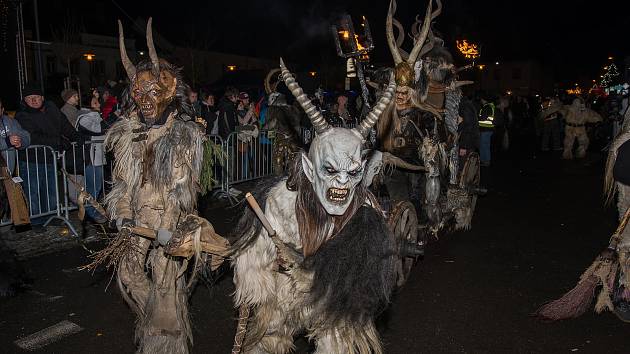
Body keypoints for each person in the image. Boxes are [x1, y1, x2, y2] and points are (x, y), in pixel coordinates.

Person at [230, 60, 397, 354]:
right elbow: (252, 261)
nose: (342, 183)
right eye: (331, 171)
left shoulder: (364, 217)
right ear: (309, 168)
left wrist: (311, 272)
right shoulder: (280, 202)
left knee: (338, 339)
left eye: (353, 173)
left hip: (333, 300)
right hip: (284, 295)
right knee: (269, 331)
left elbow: (362, 284)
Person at [103, 20, 228, 353]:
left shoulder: (183, 134)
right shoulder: (126, 135)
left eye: (152, 91)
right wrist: (124, 216)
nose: (144, 98)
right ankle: (153, 321)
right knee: (129, 273)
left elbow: (185, 187)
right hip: (138, 218)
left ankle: (168, 343)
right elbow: (122, 183)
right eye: (138, 91)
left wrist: (173, 229)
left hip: (168, 219)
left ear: (168, 90)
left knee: (164, 278)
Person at [15, 84, 83, 218]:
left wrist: (76, 137)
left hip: (50, 159)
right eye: (30, 98)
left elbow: (64, 125)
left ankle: (51, 216)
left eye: (36, 97)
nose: (34, 100)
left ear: (42, 97)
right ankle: (35, 219)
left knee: (51, 190)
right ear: (25, 100)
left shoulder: (52, 108)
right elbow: (33, 136)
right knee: (33, 191)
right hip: (31, 161)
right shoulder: (22, 114)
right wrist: (58, 141)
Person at [74, 97, 107, 224]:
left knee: (96, 186)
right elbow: (98, 130)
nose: (98, 103)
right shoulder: (83, 117)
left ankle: (90, 210)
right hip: (90, 158)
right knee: (93, 186)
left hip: (97, 157)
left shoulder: (96, 116)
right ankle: (90, 212)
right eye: (94, 101)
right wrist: (113, 117)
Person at [0, 99, 31, 174]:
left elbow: (25, 135)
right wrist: (7, 142)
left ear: (2, 109)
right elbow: (7, 142)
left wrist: (21, 142)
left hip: (7, 174)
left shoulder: (10, 121)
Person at [478, 95, 496, 166]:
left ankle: (485, 161)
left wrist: (477, 117)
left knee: (483, 146)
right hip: (489, 129)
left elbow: (482, 118)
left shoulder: (486, 107)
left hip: (485, 129)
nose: (481, 101)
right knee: (486, 145)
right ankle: (486, 161)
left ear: (483, 100)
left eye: (481, 100)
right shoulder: (491, 106)